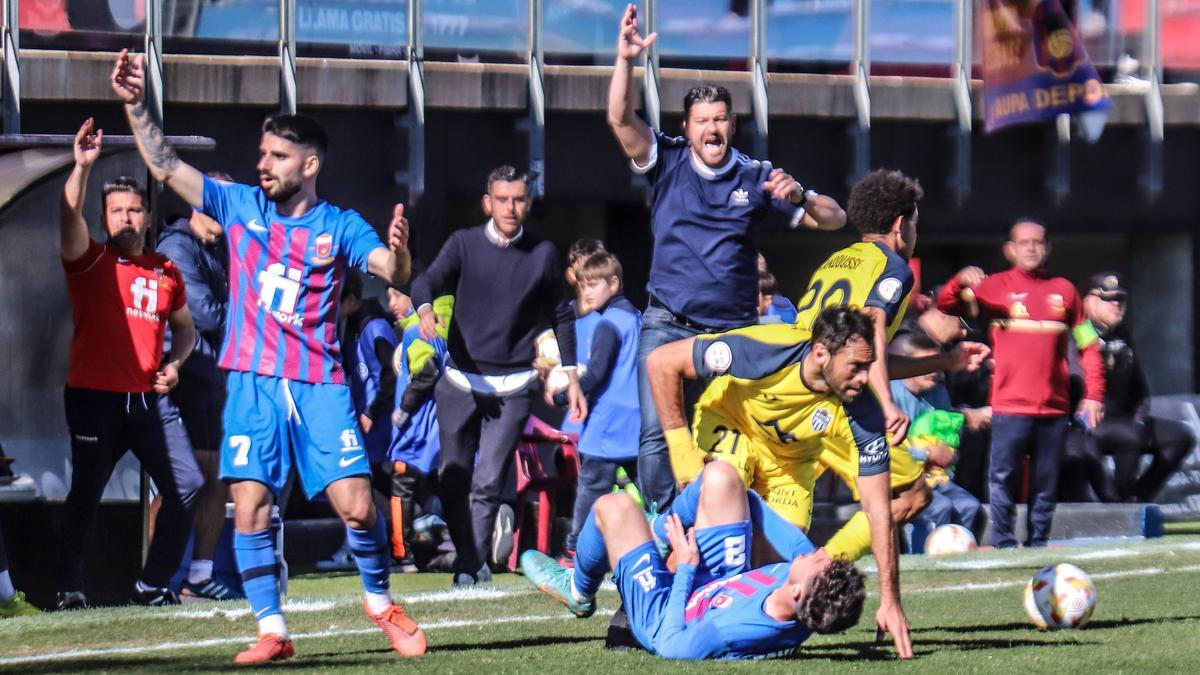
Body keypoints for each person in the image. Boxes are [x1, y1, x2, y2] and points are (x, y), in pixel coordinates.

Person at [112, 50, 422, 663]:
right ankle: (272, 630)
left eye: (276, 157)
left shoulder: (341, 225)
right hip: (252, 382)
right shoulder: (238, 206)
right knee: (249, 506)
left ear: (309, 165)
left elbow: (390, 270)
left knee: (357, 506)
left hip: (320, 384)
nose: (263, 165)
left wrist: (401, 255)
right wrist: (134, 104)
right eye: (261, 155)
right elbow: (166, 163)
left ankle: (381, 602)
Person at [607, 3, 846, 510]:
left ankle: (719, 530)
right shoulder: (666, 160)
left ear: (732, 125)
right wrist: (625, 60)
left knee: (724, 438)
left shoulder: (757, 176)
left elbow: (835, 220)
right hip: (667, 322)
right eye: (701, 121)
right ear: (687, 127)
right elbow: (620, 119)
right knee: (656, 437)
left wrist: (800, 196)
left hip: (731, 333)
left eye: (720, 119)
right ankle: (664, 524)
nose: (711, 129)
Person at [646, 306, 913, 658]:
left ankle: (715, 621)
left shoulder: (864, 412)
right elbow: (661, 362)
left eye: (869, 366)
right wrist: (683, 455)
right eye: (857, 366)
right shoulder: (765, 350)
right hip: (731, 428)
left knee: (772, 572)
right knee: (724, 527)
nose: (866, 379)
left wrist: (891, 600)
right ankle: (656, 604)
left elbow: (880, 509)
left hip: (789, 467)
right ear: (821, 352)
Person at [788, 169, 988, 565]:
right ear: (901, 225)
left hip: (795, 391)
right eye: (915, 222)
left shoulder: (836, 260)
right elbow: (873, 327)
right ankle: (821, 568)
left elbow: (864, 352)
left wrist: (944, 360)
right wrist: (888, 404)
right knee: (913, 495)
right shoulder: (893, 266)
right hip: (837, 404)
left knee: (789, 518)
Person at [410, 165, 586, 585]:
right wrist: (425, 308)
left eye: (519, 199)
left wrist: (571, 375)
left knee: (488, 480)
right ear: (488, 203)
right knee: (452, 480)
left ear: (528, 203)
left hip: (514, 386)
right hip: (459, 381)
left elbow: (562, 315)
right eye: (502, 199)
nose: (511, 207)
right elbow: (426, 280)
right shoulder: (463, 244)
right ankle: (472, 557)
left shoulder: (543, 254)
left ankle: (469, 567)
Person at [56, 117, 202, 610]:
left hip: (148, 401)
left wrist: (176, 364)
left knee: (188, 485)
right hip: (94, 397)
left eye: (133, 210)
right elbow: (66, 215)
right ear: (104, 219)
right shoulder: (90, 260)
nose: (125, 218)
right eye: (116, 211)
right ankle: (68, 587)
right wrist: (81, 168)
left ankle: (152, 585)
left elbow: (186, 328)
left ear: (146, 216)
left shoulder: (165, 270)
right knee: (86, 494)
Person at [520, 462, 866, 660]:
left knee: (616, 506)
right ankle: (659, 527)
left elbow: (671, 647)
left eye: (821, 562)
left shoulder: (736, 630)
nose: (819, 551)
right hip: (717, 582)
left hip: (665, 612)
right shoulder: (798, 589)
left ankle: (578, 591)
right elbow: (747, 498)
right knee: (723, 477)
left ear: (796, 594)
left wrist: (685, 566)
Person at [936, 219, 1106, 548]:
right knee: (1003, 478)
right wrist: (960, 280)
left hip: (1054, 408)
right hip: (1009, 406)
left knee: (1046, 481)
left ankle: (1038, 542)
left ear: (1048, 248)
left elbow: (1088, 347)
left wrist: (1094, 395)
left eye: (1038, 242)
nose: (1031, 247)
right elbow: (946, 304)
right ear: (1009, 250)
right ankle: (1004, 543)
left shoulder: (1066, 291)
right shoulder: (994, 287)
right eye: (1024, 242)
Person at [156, 173, 238, 601]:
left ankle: (200, 576)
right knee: (177, 483)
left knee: (212, 478)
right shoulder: (175, 248)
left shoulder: (220, 248)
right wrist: (251, 313)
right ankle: (155, 578)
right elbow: (207, 316)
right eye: (221, 204)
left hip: (211, 379)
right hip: (181, 378)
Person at [1061, 273, 1193, 502]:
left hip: (1123, 419)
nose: (1116, 304)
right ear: (1089, 302)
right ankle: (1116, 501)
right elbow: (1075, 378)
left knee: (1180, 436)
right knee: (1126, 436)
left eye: (1120, 299)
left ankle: (1140, 495)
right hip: (1085, 425)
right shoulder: (1079, 332)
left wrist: (1139, 418)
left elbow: (1139, 388)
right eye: (1108, 299)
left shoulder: (1122, 335)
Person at [546, 252, 642, 561]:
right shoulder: (636, 317)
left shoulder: (608, 324)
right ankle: (675, 540)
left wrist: (563, 395)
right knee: (654, 493)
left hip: (607, 423)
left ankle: (574, 550)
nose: (587, 292)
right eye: (583, 285)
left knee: (590, 489)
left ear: (614, 284)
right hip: (638, 422)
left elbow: (597, 373)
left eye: (594, 284)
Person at [888, 333, 986, 533]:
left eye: (936, 366)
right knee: (941, 508)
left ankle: (958, 559)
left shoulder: (938, 393)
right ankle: (925, 558)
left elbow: (948, 440)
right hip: (901, 481)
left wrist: (950, 455)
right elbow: (886, 449)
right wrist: (927, 455)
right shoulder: (890, 395)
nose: (933, 372)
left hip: (935, 478)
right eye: (926, 366)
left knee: (970, 506)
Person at [388, 290, 453, 572]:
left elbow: (427, 370)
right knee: (441, 487)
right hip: (437, 425)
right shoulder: (441, 324)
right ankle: (451, 547)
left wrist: (403, 409)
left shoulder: (417, 331)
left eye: (396, 296)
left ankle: (402, 556)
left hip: (415, 428)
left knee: (401, 487)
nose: (391, 304)